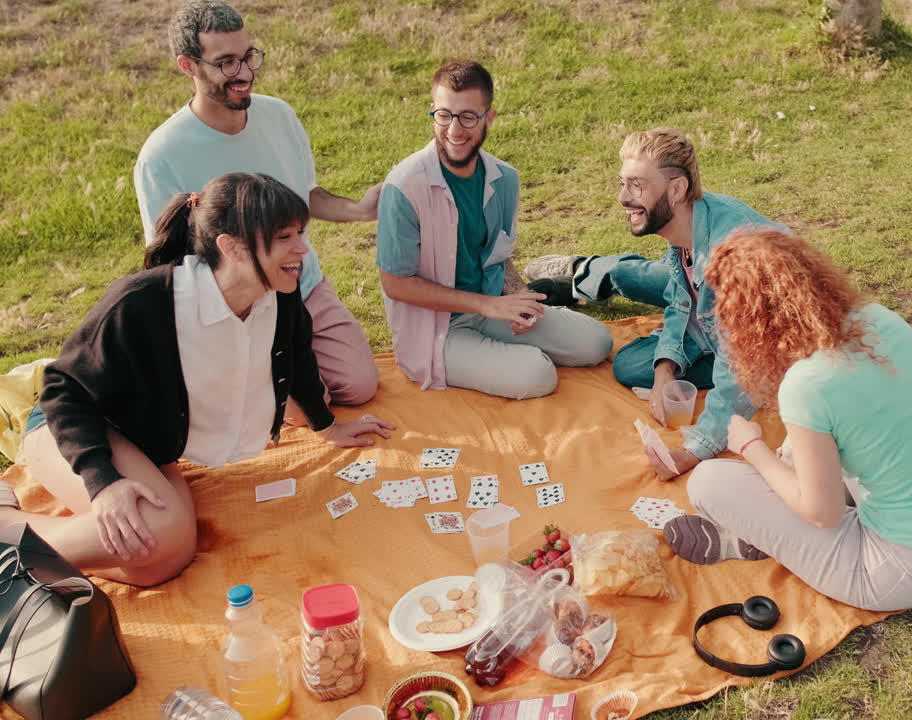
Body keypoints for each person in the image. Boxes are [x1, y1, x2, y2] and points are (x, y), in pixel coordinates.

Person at [0, 173, 394, 588]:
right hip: (72, 430)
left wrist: (327, 428)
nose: (303, 250)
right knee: (159, 535)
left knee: (162, 562)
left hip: (146, 443)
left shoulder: (280, 293)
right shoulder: (143, 302)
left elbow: (297, 359)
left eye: (301, 233)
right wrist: (103, 484)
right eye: (285, 237)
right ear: (232, 247)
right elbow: (63, 390)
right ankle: (9, 535)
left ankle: (37, 546)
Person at [661, 230, 912, 611]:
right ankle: (762, 532)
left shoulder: (808, 384)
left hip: (900, 570)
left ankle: (744, 539)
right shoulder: (880, 320)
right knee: (796, 452)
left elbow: (824, 513)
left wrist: (751, 447)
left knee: (710, 481)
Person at [134, 0, 379, 411]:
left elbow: (306, 197)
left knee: (359, 388)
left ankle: (278, 378)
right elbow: (170, 262)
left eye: (248, 57)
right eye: (226, 62)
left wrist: (360, 209)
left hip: (303, 285)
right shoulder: (161, 155)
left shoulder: (279, 116)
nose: (244, 73)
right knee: (306, 408)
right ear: (187, 65)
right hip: (238, 306)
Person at [375, 60, 613, 399]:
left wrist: (518, 296)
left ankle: (507, 347)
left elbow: (498, 256)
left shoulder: (505, 179)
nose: (454, 130)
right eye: (444, 115)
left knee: (596, 343)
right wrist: (486, 305)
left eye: (468, 116)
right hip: (437, 332)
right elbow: (395, 284)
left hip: (491, 308)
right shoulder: (402, 186)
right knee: (537, 374)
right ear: (433, 112)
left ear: (489, 117)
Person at [587, 128, 784, 479]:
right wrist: (665, 370)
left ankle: (607, 272)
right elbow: (680, 302)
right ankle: (594, 271)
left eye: (637, 186)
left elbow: (738, 372)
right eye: (622, 183)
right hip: (708, 310)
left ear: (676, 189)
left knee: (743, 376)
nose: (622, 197)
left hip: (761, 338)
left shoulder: (733, 261)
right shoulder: (687, 225)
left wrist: (695, 450)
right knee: (634, 358)